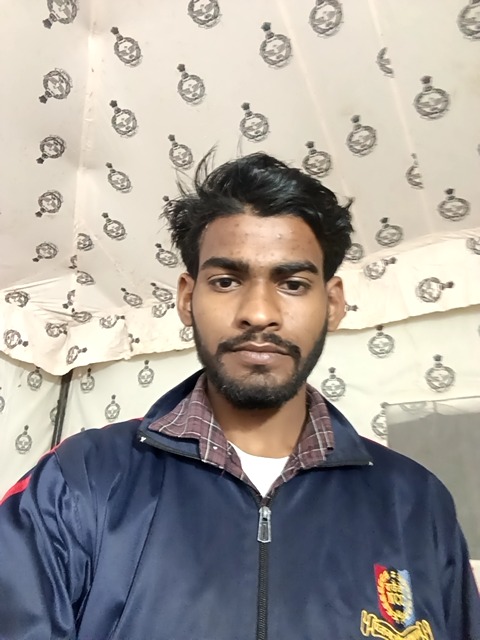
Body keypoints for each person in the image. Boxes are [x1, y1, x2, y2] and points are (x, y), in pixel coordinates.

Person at [0, 153, 478, 640]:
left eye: (293, 284)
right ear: (187, 298)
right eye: (226, 281)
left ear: (333, 304)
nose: (259, 313)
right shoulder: (80, 480)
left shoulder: (415, 502)